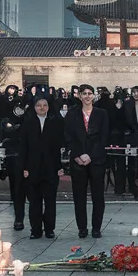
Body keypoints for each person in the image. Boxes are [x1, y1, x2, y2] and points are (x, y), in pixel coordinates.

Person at [65, 83, 109, 239]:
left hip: (96, 160)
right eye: (84, 93)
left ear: (94, 95)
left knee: (98, 196)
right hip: (78, 161)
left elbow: (103, 137)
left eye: (90, 93)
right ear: (79, 96)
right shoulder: (72, 114)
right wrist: (78, 155)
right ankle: (82, 228)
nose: (87, 96)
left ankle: (96, 228)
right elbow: (68, 137)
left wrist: (90, 155)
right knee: (79, 196)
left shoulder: (101, 113)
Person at [22, 95, 65, 238]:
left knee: (50, 201)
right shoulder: (27, 123)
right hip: (32, 168)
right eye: (39, 105)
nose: (42, 108)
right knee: (34, 201)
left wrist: (59, 166)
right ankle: (35, 230)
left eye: (44, 105)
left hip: (50, 168)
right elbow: (24, 147)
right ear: (34, 108)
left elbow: (57, 147)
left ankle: (49, 229)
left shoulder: (55, 123)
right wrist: (24, 167)